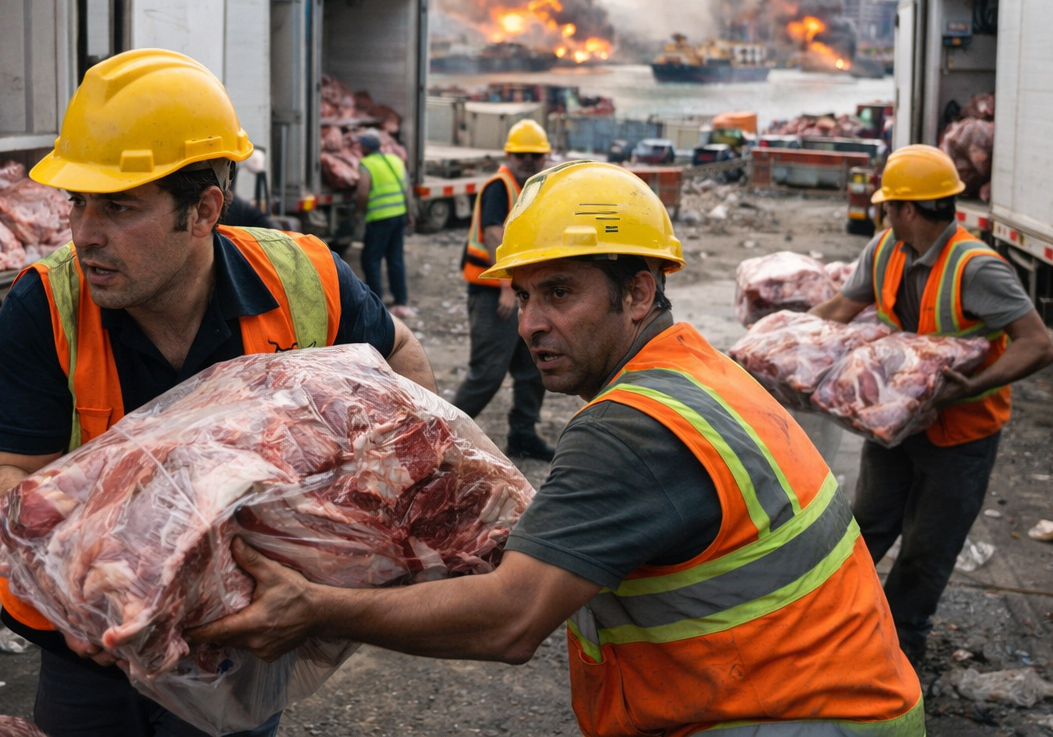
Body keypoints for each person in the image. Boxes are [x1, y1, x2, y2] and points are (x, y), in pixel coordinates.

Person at [195, 161, 925, 737]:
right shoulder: (699, 370)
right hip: (843, 701)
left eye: (561, 293)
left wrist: (316, 608)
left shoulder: (630, 428)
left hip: (788, 721)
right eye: (523, 295)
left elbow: (510, 621)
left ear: (639, 293)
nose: (530, 323)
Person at [0, 49, 436, 737]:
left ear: (203, 210)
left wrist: (364, 522)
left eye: (120, 207)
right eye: (79, 203)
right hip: (90, 651)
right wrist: (68, 579)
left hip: (240, 640)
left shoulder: (304, 280)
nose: (84, 234)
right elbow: (6, 476)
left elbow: (402, 360)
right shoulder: (46, 306)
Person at [811, 143, 1053, 663]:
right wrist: (782, 343)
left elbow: (1039, 343)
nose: (883, 214)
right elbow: (839, 308)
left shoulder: (976, 267)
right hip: (895, 426)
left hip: (961, 437)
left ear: (908, 209)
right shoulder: (883, 250)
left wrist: (974, 385)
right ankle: (832, 625)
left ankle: (899, 651)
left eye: (888, 205)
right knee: (866, 527)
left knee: (927, 549)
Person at [452, 118, 554, 460]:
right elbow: (495, 235)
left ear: (545, 158)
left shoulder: (534, 189)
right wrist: (507, 287)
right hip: (494, 293)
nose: (528, 160)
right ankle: (439, 434)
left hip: (525, 293)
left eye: (535, 155)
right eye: (522, 154)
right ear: (509, 155)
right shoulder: (500, 186)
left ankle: (523, 435)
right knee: (487, 374)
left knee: (532, 369)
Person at [353, 130, 415, 319]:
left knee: (371, 260)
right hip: (398, 216)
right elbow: (407, 189)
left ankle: (376, 304)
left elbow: (363, 191)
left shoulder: (366, 164)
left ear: (365, 147)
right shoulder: (395, 160)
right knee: (395, 258)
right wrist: (410, 213)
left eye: (360, 144)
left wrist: (359, 211)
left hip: (379, 218)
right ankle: (401, 302)